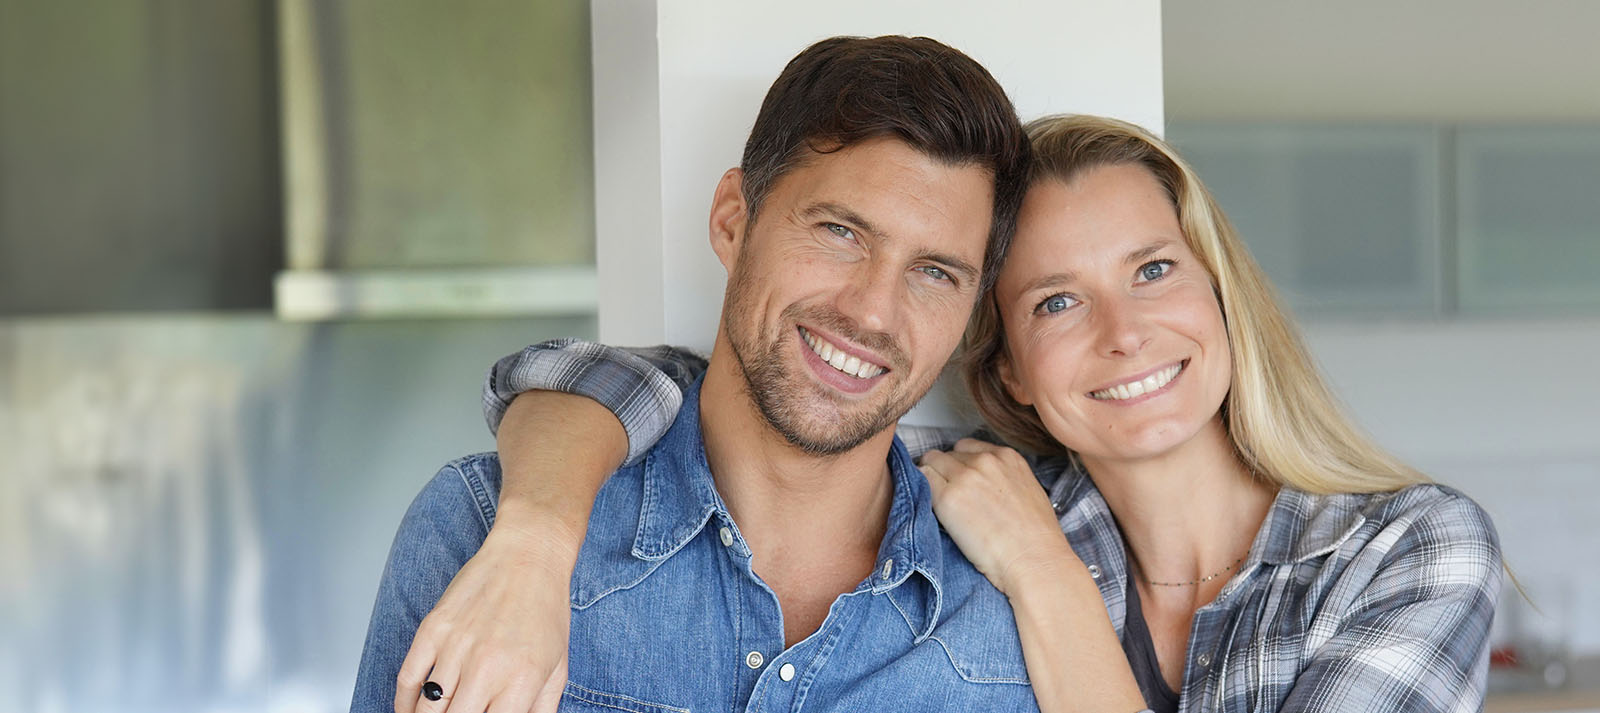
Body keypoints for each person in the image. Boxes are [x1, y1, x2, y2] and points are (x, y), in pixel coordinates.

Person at [409, 115, 1503, 713]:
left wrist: (1040, 573)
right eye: (1056, 300)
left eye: (1154, 269)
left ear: (1219, 291)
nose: (1123, 333)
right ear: (1011, 366)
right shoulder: (968, 495)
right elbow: (638, 382)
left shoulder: (1409, 544)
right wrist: (533, 539)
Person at [351, 35, 1044, 713]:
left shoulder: (1019, 623)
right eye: (840, 232)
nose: (872, 312)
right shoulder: (482, 534)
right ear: (732, 221)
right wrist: (534, 539)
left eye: (934, 272)